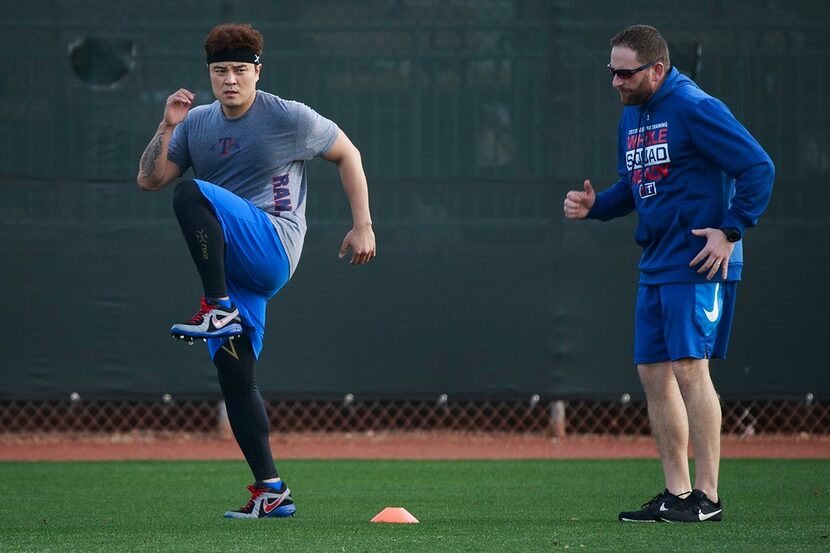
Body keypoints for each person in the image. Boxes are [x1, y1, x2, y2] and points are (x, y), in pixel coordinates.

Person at [136, 23, 376, 519]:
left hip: (272, 244)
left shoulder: (287, 116)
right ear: (209, 73)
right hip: (236, 267)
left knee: (192, 193)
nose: (230, 80)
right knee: (234, 372)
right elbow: (149, 179)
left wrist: (363, 226)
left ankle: (217, 307)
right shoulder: (197, 122)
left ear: (257, 71)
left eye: (240, 70)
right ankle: (272, 489)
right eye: (220, 70)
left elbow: (347, 153)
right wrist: (167, 127)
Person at [563, 25, 774, 523]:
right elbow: (633, 189)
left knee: (688, 368)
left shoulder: (695, 107)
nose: (615, 80)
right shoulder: (633, 117)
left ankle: (708, 498)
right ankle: (676, 493)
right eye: (611, 70)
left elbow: (758, 167)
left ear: (656, 69)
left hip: (699, 259)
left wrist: (731, 230)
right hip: (657, 261)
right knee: (653, 373)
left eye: (624, 71)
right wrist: (596, 206)